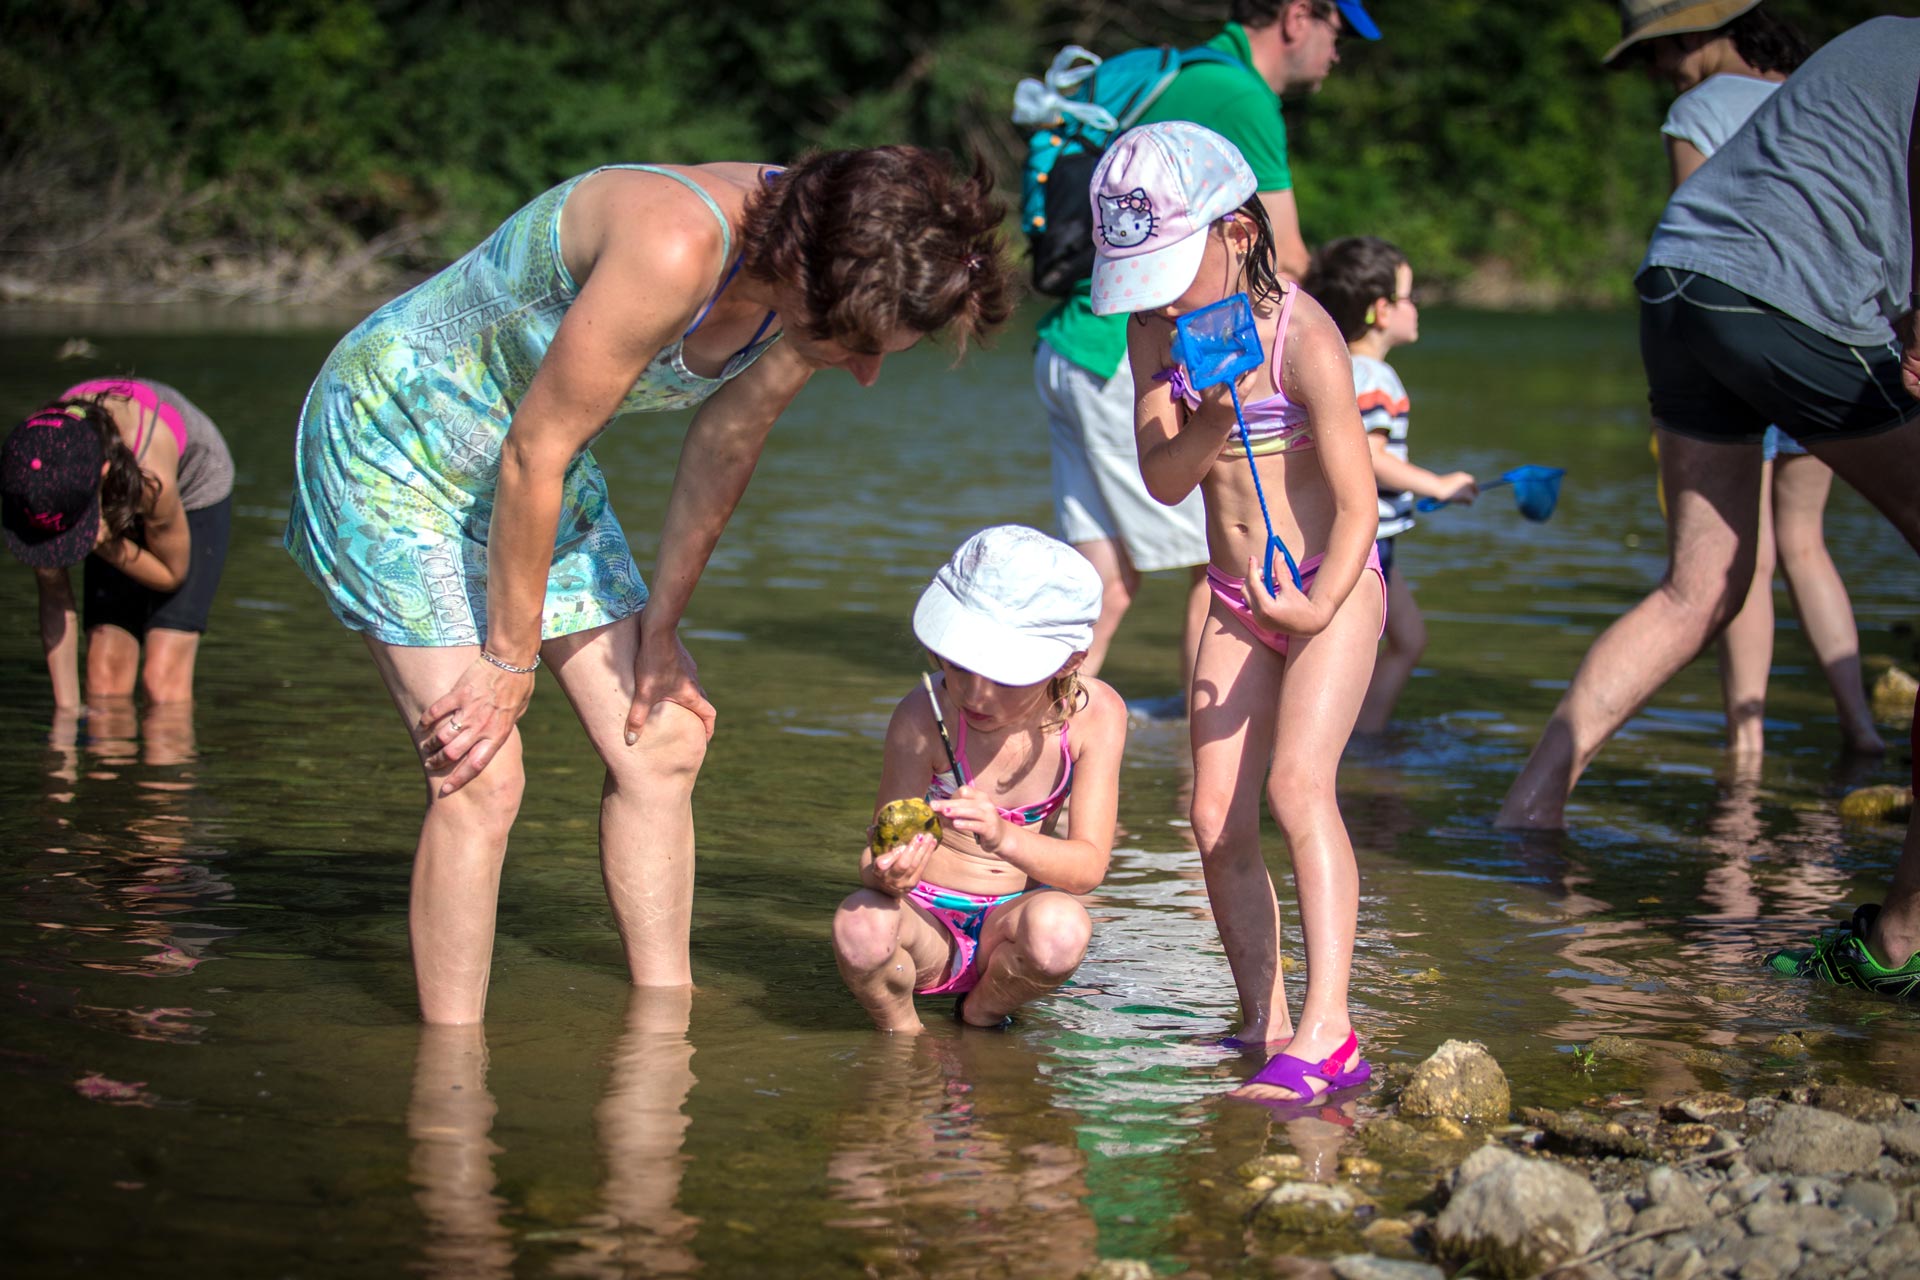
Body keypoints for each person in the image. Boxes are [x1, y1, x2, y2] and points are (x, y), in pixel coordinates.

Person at [285, 150, 1017, 1024]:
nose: (863, 374)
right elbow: (535, 450)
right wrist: (507, 664)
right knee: (481, 768)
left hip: (528, 461)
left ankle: (665, 1032)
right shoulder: (675, 245)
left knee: (662, 737)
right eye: (854, 347)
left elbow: (725, 443)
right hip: (396, 439)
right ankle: (452, 1088)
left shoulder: (838, 252)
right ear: (805, 278)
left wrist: (662, 630)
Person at [1493, 16, 1920, 997]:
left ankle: (1528, 810)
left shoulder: (1871, 44)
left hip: (1682, 284)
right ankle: (1901, 936)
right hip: (1791, 303)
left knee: (1700, 588)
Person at [1093, 122, 1384, 1099]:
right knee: (1214, 813)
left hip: (1327, 589)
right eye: (1146, 275)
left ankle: (1332, 1029)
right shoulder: (1153, 332)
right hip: (1231, 596)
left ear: (1241, 235)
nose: (1164, 296)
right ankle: (1262, 1019)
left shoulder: (1304, 336)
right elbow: (1166, 479)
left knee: (1299, 786)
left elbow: (1356, 505)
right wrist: (1210, 414)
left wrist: (1316, 606)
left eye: (1176, 269)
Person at [1035, 0, 1380, 707]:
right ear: (1297, 16)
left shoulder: (1176, 71)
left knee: (1104, 583)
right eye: (1336, 34)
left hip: (1071, 343)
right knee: (1211, 561)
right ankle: (1198, 759)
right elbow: (1288, 259)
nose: (1336, 55)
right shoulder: (1242, 95)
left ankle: (1046, 747)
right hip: (1127, 360)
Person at [1609, 0, 1883, 757]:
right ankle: (1860, 726)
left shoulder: (1697, 107)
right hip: (1831, 330)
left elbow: (1695, 235)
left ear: (1694, 36)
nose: (1663, 72)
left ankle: (1747, 742)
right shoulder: (1812, 90)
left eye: (1661, 54)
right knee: (1807, 543)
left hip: (1739, 331)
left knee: (1745, 557)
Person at [832, 525, 1126, 1032]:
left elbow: (1086, 869)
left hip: (1008, 927)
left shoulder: (1094, 716)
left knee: (1061, 929)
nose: (976, 696)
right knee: (860, 922)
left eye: (1005, 676)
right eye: (960, 667)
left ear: (1069, 662)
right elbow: (879, 848)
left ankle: (982, 1014)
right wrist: (884, 874)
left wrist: (1003, 836)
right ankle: (904, 1038)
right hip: (923, 924)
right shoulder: (922, 717)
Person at [1302, 237, 1477, 733]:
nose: (1416, 307)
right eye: (1409, 297)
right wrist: (1438, 485)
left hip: (1363, 539)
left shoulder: (1333, 365)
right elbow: (1372, 457)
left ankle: (1367, 736)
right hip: (1369, 542)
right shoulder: (1375, 377)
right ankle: (1352, 741)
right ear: (1381, 310)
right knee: (1355, 650)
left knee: (1409, 638)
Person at [2, 378, 235, 709]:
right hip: (98, 490)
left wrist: (107, 545)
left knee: (163, 683)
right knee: (104, 679)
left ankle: (172, 759)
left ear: (104, 474)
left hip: (190, 483)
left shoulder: (152, 477)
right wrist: (66, 728)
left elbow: (173, 575)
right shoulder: (36, 476)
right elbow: (55, 596)